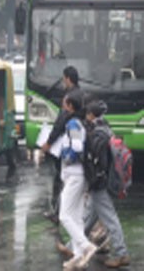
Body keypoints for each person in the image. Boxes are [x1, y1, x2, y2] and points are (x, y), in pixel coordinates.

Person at [83, 100, 130, 268]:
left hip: (100, 182)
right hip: (106, 179)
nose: (86, 117)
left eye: (87, 114)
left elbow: (95, 160)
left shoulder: (98, 133)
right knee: (89, 217)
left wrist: (92, 181)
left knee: (110, 219)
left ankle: (121, 253)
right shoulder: (106, 129)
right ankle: (73, 247)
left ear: (91, 115)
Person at [58, 91, 97, 270]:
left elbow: (76, 146)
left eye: (65, 103)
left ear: (71, 106)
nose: (62, 106)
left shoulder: (73, 123)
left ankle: (86, 246)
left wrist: (66, 156)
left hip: (73, 174)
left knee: (64, 215)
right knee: (76, 217)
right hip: (79, 175)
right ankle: (78, 257)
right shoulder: (80, 123)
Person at [41, 66, 84, 224]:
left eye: (63, 79)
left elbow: (60, 122)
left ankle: (59, 212)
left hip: (66, 149)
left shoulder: (70, 98)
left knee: (61, 179)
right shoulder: (81, 94)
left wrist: (49, 142)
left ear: (67, 78)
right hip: (74, 150)